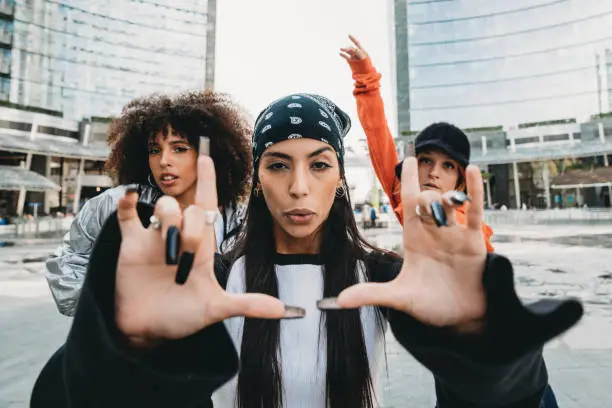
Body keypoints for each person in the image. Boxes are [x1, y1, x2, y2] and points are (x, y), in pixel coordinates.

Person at [31, 94, 582, 408]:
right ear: (256, 178)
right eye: (277, 164)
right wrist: (123, 351)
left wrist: (485, 349)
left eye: (319, 164)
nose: (298, 187)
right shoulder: (212, 281)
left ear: (340, 177)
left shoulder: (390, 278)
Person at [44, 90, 253, 316]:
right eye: (155, 150)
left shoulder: (242, 221)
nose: (164, 161)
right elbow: (65, 270)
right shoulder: (118, 205)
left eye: (179, 149)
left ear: (212, 155)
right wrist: (118, 307)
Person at [340, 36, 494, 252]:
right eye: (426, 161)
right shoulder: (406, 198)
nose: (433, 173)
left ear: (460, 182)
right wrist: (365, 76)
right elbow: (378, 135)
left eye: (448, 165)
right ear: (412, 169)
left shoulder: (468, 231)